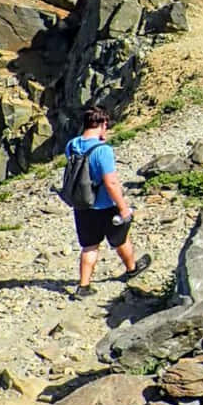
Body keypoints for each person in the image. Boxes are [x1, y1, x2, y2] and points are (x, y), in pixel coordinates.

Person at [65, 106, 149, 297]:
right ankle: (132, 268)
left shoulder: (72, 145)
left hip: (83, 205)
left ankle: (83, 286)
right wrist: (123, 208)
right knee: (120, 239)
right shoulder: (103, 151)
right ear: (103, 124)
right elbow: (110, 182)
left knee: (89, 246)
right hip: (105, 205)